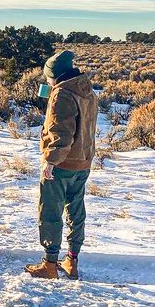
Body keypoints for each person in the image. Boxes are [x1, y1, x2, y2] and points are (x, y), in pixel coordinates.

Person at [25, 50, 98, 280]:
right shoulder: (86, 90)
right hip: (82, 161)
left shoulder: (62, 95)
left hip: (62, 164)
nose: (46, 81)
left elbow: (61, 134)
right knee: (76, 211)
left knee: (51, 211)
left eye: (48, 77)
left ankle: (49, 263)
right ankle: (72, 260)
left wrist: (50, 161)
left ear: (56, 75)